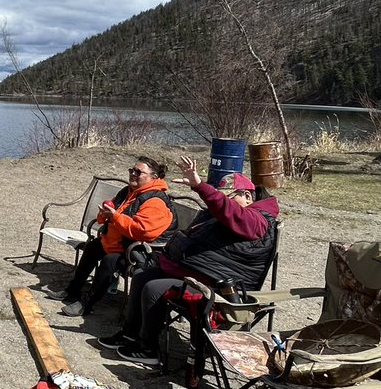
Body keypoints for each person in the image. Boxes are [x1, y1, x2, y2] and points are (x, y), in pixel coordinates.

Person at [98, 154, 279, 368]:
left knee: (154, 288)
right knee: (141, 277)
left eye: (227, 197)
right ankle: (130, 334)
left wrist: (201, 187)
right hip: (194, 274)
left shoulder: (257, 221)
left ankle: (148, 349)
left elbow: (230, 212)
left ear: (247, 197)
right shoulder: (224, 216)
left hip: (221, 288)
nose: (220, 204)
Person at [44, 157, 175, 317]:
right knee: (93, 247)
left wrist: (114, 217)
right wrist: (104, 215)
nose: (133, 174)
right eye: (131, 170)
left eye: (138, 172)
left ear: (154, 177)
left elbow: (143, 231)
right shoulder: (128, 192)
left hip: (143, 253)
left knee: (110, 260)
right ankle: (72, 290)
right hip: (120, 243)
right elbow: (112, 215)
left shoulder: (155, 201)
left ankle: (87, 304)